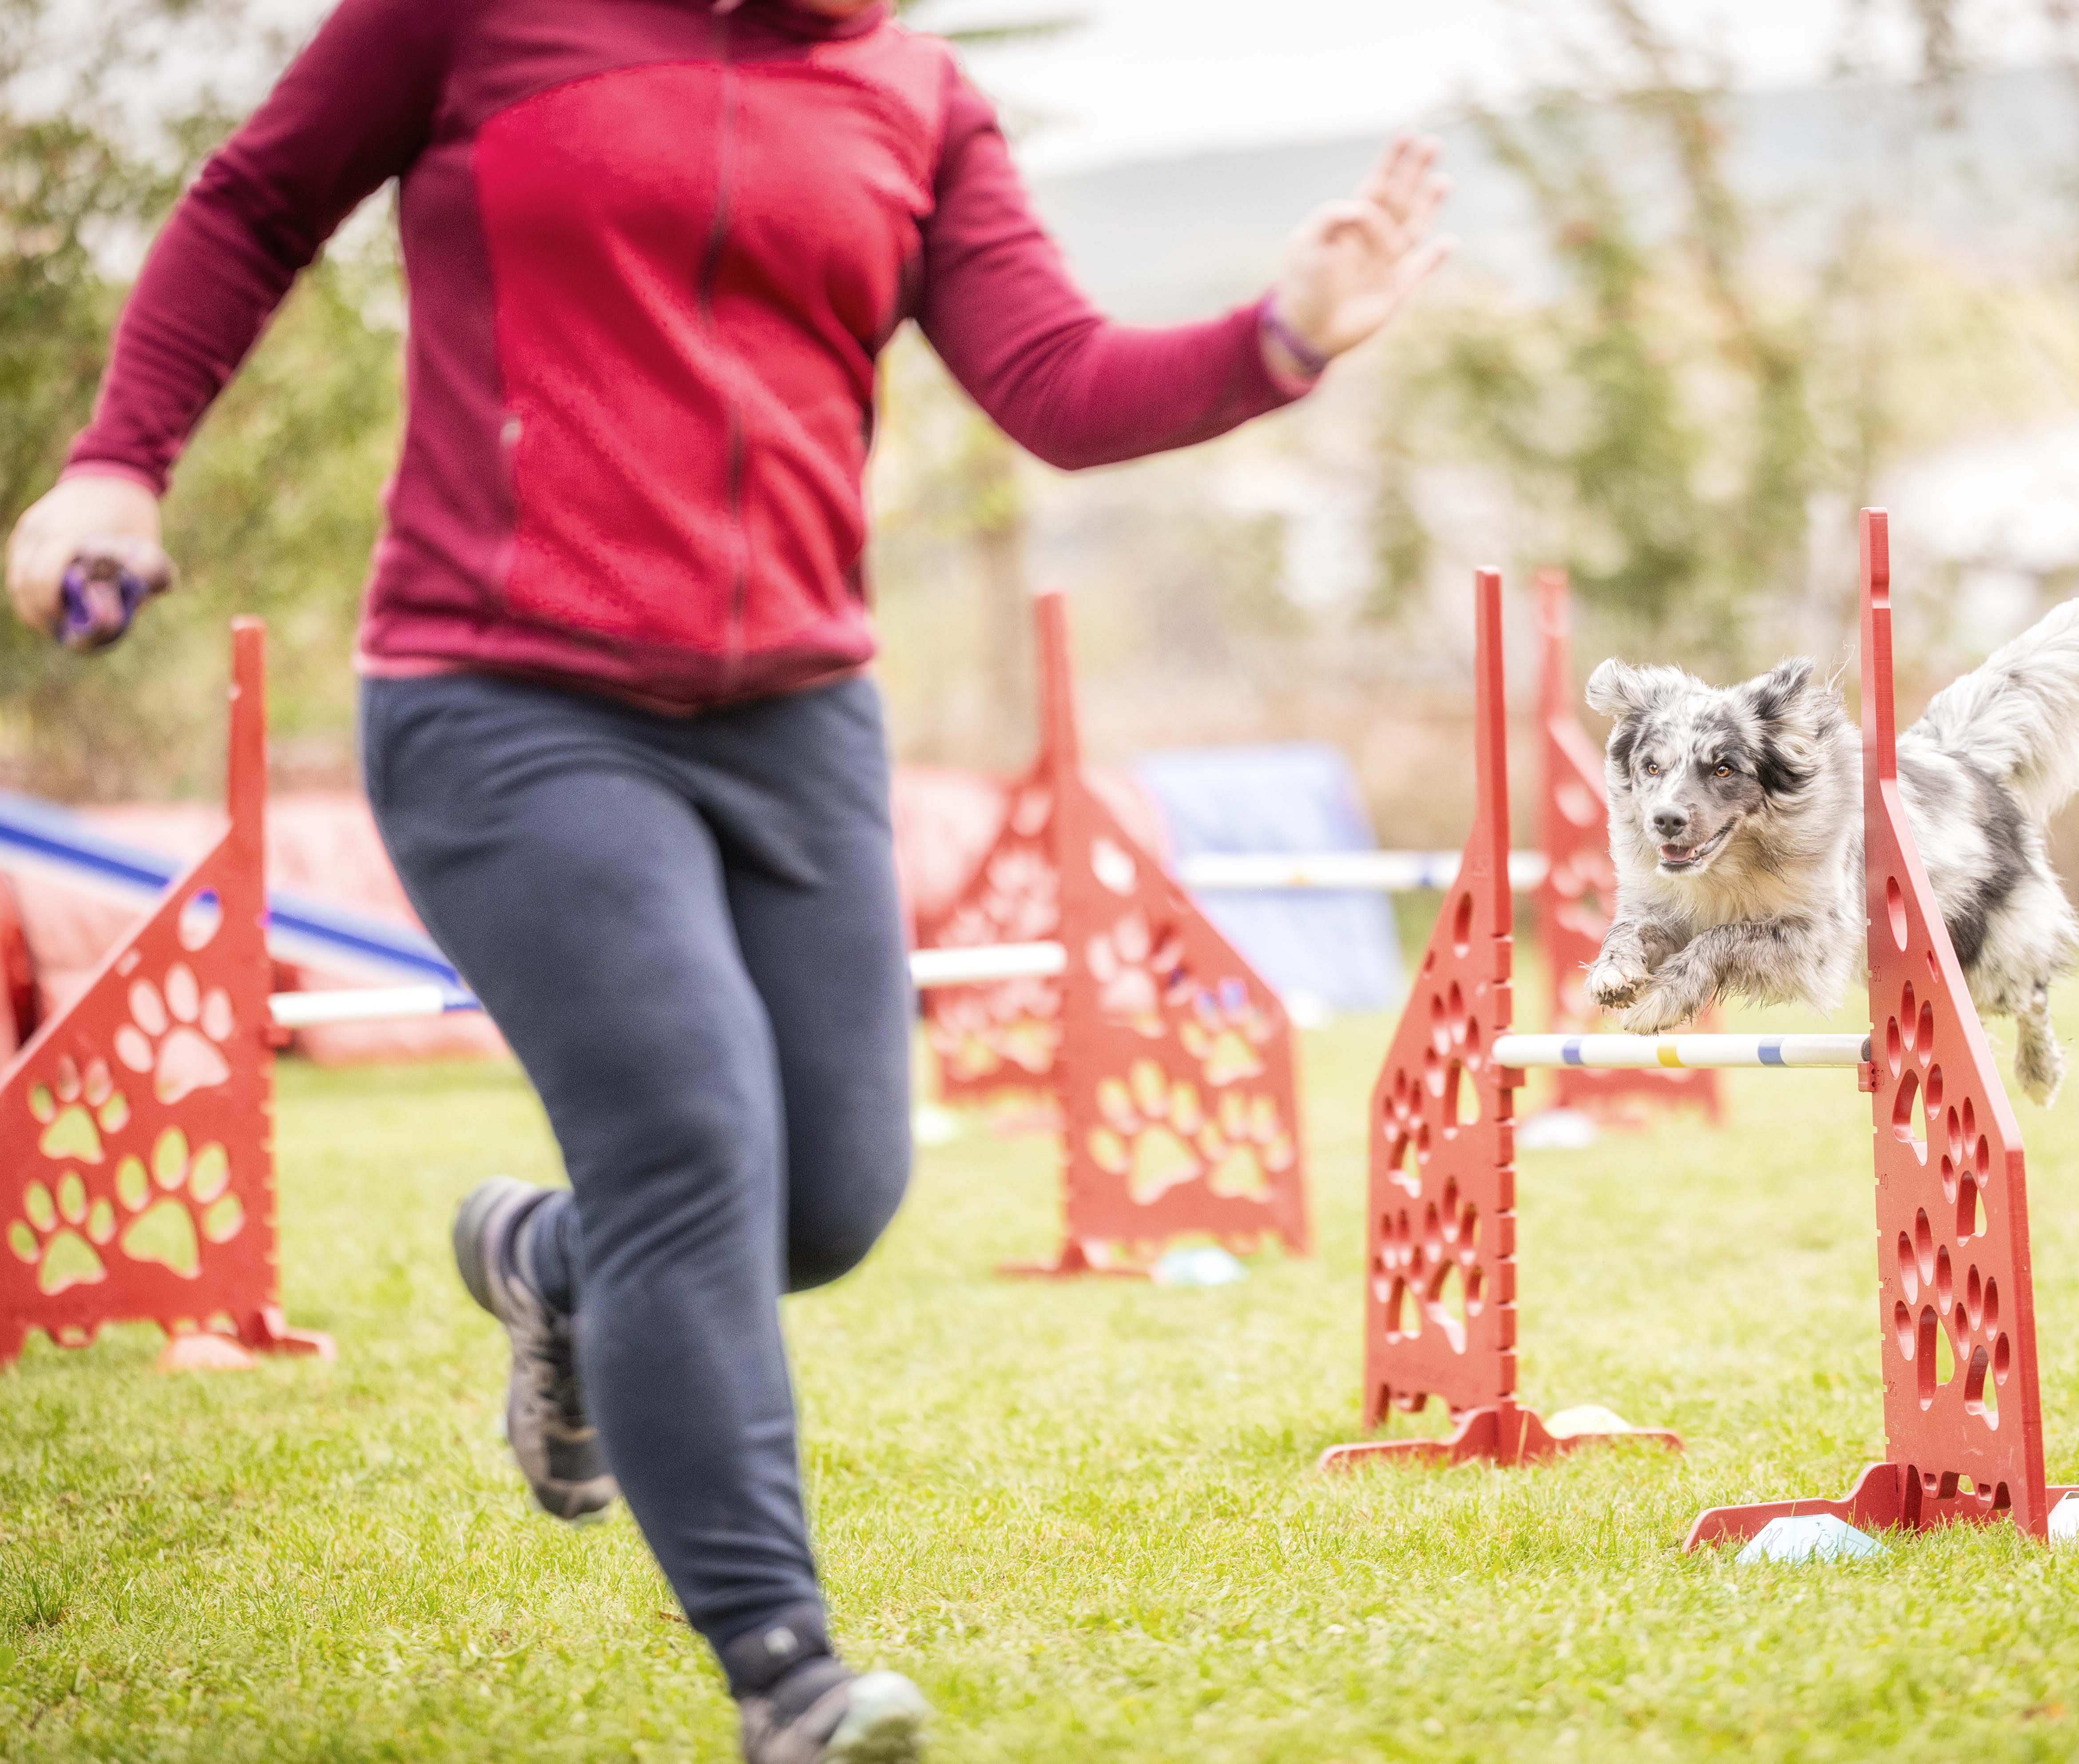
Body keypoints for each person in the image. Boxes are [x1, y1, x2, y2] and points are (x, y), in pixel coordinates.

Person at [3, 3, 1450, 1759]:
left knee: (830, 1197)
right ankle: (791, 1678)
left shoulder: (913, 96)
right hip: (503, 695)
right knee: (689, 1139)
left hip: (792, 718)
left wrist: (1279, 338)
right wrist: (112, 467)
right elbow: (251, 206)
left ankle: (552, 1263)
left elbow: (1056, 386)